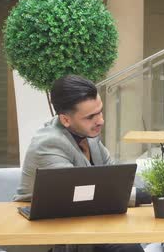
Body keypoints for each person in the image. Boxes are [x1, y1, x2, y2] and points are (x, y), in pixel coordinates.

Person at [14, 75, 147, 252]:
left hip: (81, 223)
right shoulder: (48, 143)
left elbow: (117, 179)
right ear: (66, 120)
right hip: (44, 235)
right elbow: (81, 193)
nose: (100, 120)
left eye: (100, 111)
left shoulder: (89, 136)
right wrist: (145, 195)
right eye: (91, 116)